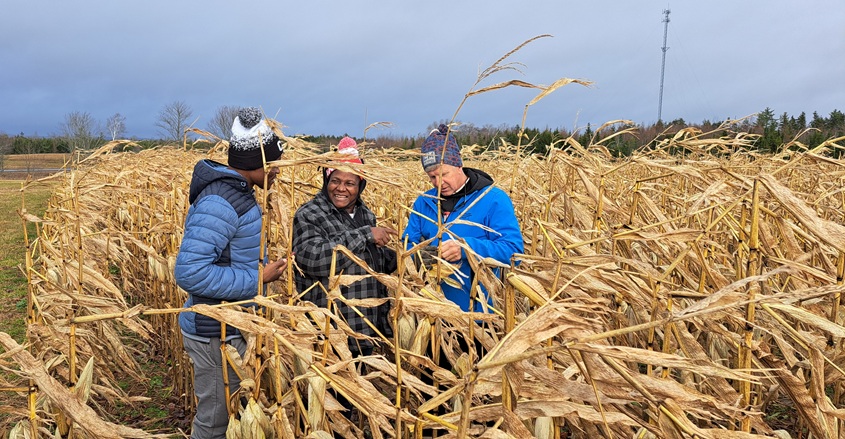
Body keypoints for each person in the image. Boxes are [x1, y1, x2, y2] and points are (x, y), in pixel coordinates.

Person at [174, 106, 287, 439]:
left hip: (231, 326)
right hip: (214, 333)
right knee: (214, 423)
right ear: (258, 164)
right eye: (275, 162)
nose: (278, 170)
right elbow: (190, 271)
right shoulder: (221, 201)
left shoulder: (238, 195)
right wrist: (258, 279)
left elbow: (227, 257)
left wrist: (262, 268)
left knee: (232, 418)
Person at [292, 136, 398, 357]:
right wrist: (366, 234)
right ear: (326, 180)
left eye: (350, 183)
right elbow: (313, 260)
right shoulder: (310, 214)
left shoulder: (365, 213)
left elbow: (367, 262)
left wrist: (406, 256)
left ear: (361, 185)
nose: (341, 188)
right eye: (335, 181)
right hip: (332, 333)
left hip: (366, 328)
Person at [402, 123, 524, 313]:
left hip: (480, 315)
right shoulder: (423, 203)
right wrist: (419, 256)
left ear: (459, 165)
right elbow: (407, 244)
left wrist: (467, 249)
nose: (439, 183)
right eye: (432, 177)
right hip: (435, 312)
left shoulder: (492, 199)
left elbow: (514, 252)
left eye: (443, 174)